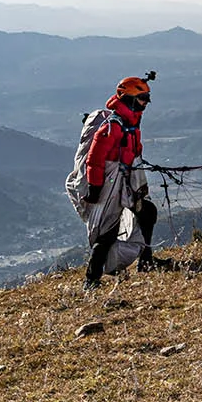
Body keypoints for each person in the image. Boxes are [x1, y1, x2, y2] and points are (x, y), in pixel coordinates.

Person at [67, 74, 163, 290]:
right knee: (108, 231)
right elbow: (94, 160)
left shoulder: (131, 123)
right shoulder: (112, 127)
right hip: (109, 183)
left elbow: (133, 150)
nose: (146, 103)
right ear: (129, 98)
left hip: (125, 178)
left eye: (147, 98)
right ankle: (91, 280)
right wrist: (95, 189)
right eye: (142, 98)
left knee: (147, 212)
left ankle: (146, 261)